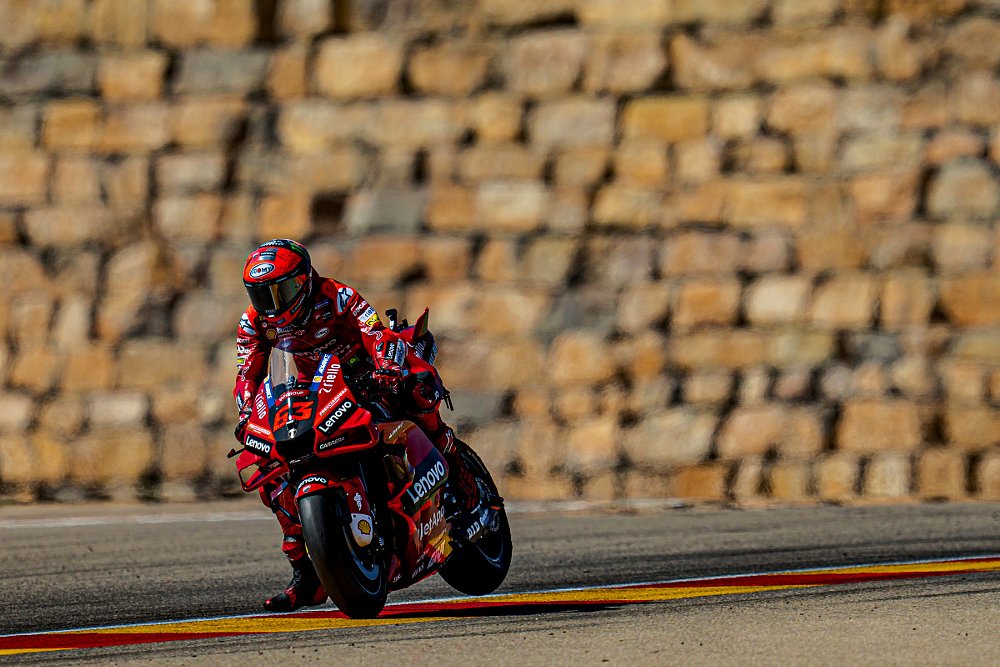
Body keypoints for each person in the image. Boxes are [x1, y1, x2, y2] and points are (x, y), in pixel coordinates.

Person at [233, 238, 475, 612]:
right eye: (262, 295)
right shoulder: (253, 322)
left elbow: (373, 330)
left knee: (417, 389)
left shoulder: (335, 295)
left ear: (303, 280)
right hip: (310, 396)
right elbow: (247, 375)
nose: (273, 304)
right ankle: (306, 572)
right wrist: (247, 413)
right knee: (266, 467)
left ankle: (460, 478)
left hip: (364, 376)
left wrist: (387, 367)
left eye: (282, 291)